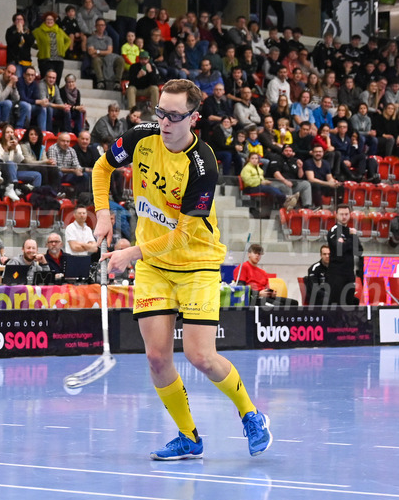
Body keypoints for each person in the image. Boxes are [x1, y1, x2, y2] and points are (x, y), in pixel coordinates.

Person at [91, 78, 272, 460]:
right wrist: (103, 213)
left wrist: (133, 252)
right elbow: (101, 168)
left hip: (197, 262)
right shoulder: (142, 136)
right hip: (154, 266)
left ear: (194, 117)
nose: (164, 122)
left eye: (174, 116)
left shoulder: (202, 165)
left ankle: (251, 415)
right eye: (160, 112)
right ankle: (188, 436)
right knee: (157, 358)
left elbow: (183, 236)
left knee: (200, 356)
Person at [325, 204, 362, 306]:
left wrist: (348, 240)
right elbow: (340, 249)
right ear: (336, 215)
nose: (344, 217)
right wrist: (351, 239)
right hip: (336, 274)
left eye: (346, 214)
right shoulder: (334, 231)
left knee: (349, 305)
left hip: (349, 274)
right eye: (341, 214)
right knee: (336, 306)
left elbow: (359, 250)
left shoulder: (351, 231)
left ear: (350, 215)